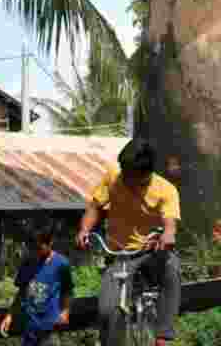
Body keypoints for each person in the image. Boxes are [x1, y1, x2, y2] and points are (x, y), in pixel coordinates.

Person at [76, 139, 181, 346]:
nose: (127, 182)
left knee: (172, 266)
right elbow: (95, 207)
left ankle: (163, 335)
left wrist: (167, 235)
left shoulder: (166, 190)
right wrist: (84, 230)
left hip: (151, 251)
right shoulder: (113, 178)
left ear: (147, 174)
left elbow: (170, 224)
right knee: (107, 311)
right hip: (119, 254)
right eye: (125, 175)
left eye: (133, 178)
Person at [0, 222, 73, 346]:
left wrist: (65, 312)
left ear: (50, 242)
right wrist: (10, 315)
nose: (35, 252)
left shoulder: (61, 264)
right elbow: (21, 293)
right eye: (32, 248)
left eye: (39, 248)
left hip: (50, 328)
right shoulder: (27, 264)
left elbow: (68, 290)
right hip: (30, 328)